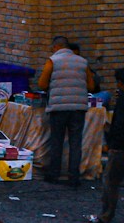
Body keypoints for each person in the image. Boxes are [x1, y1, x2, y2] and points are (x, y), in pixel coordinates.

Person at [40, 35, 96, 185]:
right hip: (78, 107)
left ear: (56, 47)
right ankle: (74, 177)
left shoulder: (52, 61)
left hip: (58, 108)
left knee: (57, 141)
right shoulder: (83, 62)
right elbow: (91, 86)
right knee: (75, 142)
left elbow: (42, 84)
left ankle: (54, 174)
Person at [95, 67, 124, 223]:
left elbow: (119, 124)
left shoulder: (122, 100)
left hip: (120, 147)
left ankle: (106, 215)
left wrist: (113, 143)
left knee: (111, 181)